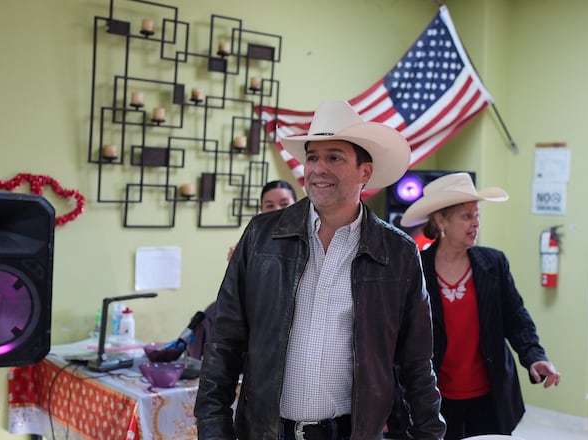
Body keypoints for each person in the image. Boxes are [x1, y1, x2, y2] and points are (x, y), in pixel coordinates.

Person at [195, 100, 446, 440]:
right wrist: (214, 431)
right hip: (266, 432)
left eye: (334, 158)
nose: (318, 169)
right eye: (312, 157)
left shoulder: (398, 253)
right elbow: (224, 344)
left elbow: (416, 362)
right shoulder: (260, 236)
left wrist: (428, 434)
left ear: (365, 172)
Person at [398, 172, 561, 439]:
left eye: (477, 215)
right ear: (441, 220)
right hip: (434, 397)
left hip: (490, 396)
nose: (475, 223)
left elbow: (516, 318)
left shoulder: (494, 263)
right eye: (466, 216)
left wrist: (535, 356)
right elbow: (401, 338)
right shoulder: (416, 269)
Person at [226, 180, 298, 261]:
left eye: (284, 204)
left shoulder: (307, 236)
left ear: (297, 205)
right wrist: (237, 262)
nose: (277, 210)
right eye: (270, 206)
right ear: (262, 209)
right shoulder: (251, 241)